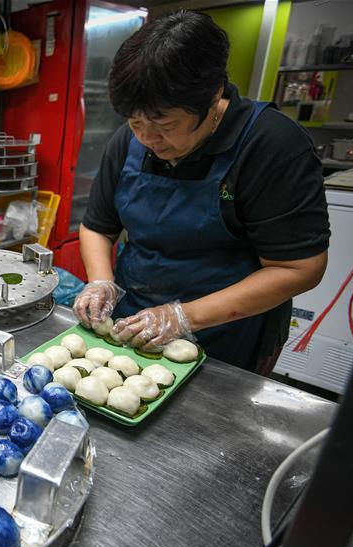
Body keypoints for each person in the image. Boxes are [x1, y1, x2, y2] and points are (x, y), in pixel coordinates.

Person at [74, 11, 330, 374]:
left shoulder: (272, 146)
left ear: (213, 97)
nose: (147, 139)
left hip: (231, 334)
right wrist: (101, 282)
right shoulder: (130, 142)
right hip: (135, 321)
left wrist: (182, 316)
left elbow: (301, 267)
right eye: (135, 123)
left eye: (165, 125)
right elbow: (99, 226)